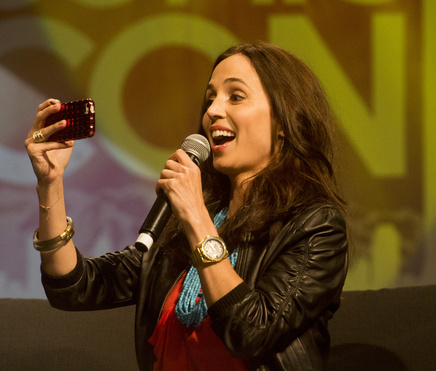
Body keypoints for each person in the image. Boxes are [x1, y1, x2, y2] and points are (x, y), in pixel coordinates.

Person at [25, 41, 348, 370]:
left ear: (284, 122)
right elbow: (75, 288)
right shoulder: (190, 222)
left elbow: (250, 331)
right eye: (210, 99)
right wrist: (50, 183)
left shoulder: (316, 226)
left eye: (235, 96)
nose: (212, 111)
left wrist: (195, 216)